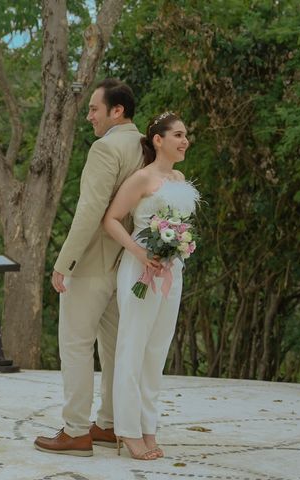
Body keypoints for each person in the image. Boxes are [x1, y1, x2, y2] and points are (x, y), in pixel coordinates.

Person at [34, 79, 144, 457]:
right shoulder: (146, 146)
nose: (89, 116)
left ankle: (77, 431)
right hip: (129, 263)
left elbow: (89, 211)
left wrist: (64, 262)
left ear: (117, 111)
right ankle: (111, 425)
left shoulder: (105, 148)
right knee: (115, 349)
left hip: (94, 262)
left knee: (76, 346)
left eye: (94, 109)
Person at [102, 112, 200, 460]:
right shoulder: (141, 179)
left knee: (156, 352)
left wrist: (180, 244)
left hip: (171, 273)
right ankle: (126, 431)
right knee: (132, 349)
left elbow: (181, 223)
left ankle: (148, 427)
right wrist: (139, 251)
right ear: (158, 140)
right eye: (177, 134)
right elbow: (111, 219)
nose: (184, 140)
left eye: (185, 134)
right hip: (140, 272)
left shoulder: (179, 177)